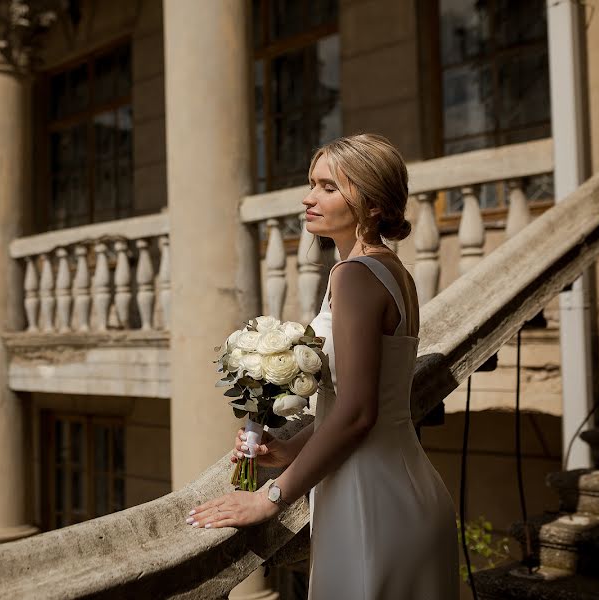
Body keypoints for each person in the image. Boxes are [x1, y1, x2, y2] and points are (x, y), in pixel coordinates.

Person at [185, 134, 459, 599]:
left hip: (369, 498)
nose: (309, 197)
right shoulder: (392, 271)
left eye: (329, 187)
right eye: (312, 184)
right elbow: (365, 402)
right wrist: (289, 451)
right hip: (402, 487)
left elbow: (357, 413)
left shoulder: (354, 276)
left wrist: (269, 498)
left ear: (372, 205)